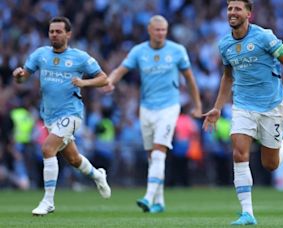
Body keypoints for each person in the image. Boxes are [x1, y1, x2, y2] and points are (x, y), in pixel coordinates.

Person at [202, 0, 283, 225]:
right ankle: (248, 213)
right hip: (242, 106)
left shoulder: (264, 37)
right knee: (239, 154)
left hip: (271, 106)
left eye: (237, 8)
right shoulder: (225, 45)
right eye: (230, 8)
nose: (232, 12)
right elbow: (228, 76)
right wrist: (217, 107)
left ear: (249, 14)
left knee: (270, 164)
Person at [12, 16, 111, 216]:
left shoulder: (80, 57)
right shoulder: (40, 54)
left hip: (71, 113)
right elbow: (24, 78)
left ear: (68, 34)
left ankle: (48, 201)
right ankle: (98, 175)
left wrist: (84, 83)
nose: (54, 35)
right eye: (51, 31)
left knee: (48, 148)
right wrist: (18, 76)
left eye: (58, 31)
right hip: (49, 116)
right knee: (73, 159)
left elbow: (103, 78)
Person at [106, 15, 202, 213]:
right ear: (150, 30)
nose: (160, 33)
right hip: (146, 108)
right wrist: (110, 81)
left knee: (159, 152)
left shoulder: (177, 51)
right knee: (152, 156)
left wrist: (197, 105)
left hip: (169, 107)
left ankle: (148, 197)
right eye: (157, 30)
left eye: (163, 30)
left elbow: (190, 79)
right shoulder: (139, 51)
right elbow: (121, 69)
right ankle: (160, 202)